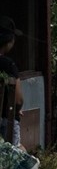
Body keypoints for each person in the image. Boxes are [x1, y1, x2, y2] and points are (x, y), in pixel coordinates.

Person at [0, 16, 25, 146]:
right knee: (17, 152)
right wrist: (17, 108)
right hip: (6, 119)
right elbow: (18, 100)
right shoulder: (8, 65)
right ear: (9, 41)